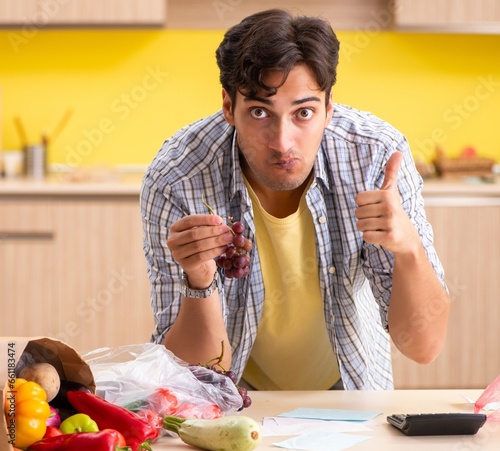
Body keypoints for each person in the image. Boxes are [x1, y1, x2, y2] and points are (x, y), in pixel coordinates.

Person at [140, 8, 450, 391]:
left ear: (329, 107)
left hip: (350, 394)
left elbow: (423, 347)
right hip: (233, 398)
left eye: (303, 112)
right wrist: (200, 281)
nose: (282, 142)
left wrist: (408, 248)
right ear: (227, 107)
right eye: (259, 112)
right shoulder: (177, 177)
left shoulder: (375, 156)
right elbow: (191, 376)